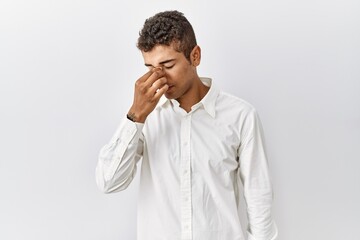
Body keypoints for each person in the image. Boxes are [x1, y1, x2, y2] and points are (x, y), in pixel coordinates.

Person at [96, 10, 278, 240]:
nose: (159, 77)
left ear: (195, 56)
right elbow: (109, 182)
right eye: (150, 68)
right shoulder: (145, 118)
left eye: (168, 65)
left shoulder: (241, 116)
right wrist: (135, 116)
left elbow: (259, 199)